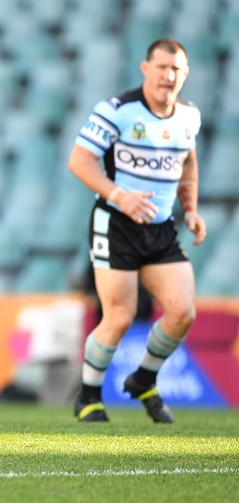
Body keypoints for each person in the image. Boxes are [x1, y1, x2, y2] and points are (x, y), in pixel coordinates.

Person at [68, 38, 206, 423]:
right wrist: (119, 195)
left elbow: (188, 162)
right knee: (120, 315)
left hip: (160, 228)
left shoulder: (189, 116)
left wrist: (191, 209)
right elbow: (79, 161)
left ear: (186, 73)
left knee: (182, 312)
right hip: (115, 225)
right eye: (161, 67)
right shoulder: (117, 111)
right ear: (146, 69)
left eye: (176, 68)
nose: (168, 75)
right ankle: (88, 396)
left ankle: (143, 378)